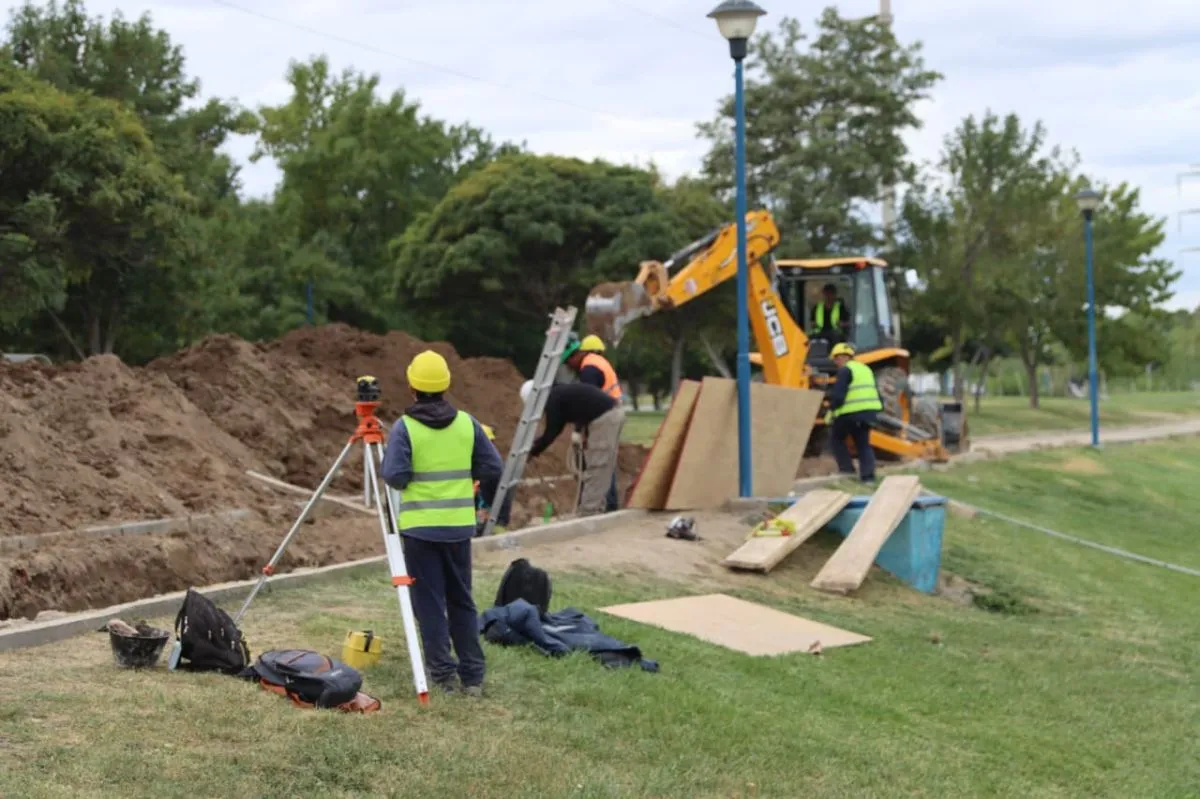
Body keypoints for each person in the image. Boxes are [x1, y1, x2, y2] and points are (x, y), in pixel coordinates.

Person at [381, 350, 502, 697]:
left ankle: (443, 676)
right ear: (446, 385)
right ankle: (473, 677)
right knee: (461, 600)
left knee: (430, 603)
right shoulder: (467, 423)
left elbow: (395, 476)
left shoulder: (405, 428)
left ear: (412, 386)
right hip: (458, 528)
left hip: (420, 530)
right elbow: (493, 467)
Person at [522, 378, 624, 517]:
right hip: (608, 415)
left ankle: (589, 512)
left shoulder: (553, 399)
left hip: (605, 418)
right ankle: (597, 508)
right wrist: (583, 431)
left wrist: (533, 452)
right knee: (601, 466)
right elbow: (583, 405)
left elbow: (552, 432)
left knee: (597, 466)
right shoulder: (559, 393)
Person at [564, 334, 624, 510]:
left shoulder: (589, 369)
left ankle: (603, 506)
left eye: (568, 361)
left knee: (599, 462)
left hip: (605, 418)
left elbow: (586, 402)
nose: (568, 366)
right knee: (605, 460)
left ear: (577, 355)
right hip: (611, 415)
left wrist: (578, 430)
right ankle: (609, 505)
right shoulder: (598, 363)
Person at [826, 342, 882, 483]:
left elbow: (839, 396)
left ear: (842, 357)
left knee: (836, 439)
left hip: (850, 414)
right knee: (863, 444)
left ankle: (847, 470)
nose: (835, 363)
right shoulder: (865, 369)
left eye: (835, 359)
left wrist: (831, 409)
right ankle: (868, 478)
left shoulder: (845, 371)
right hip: (869, 413)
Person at [474, 423, 514, 536]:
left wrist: (500, 522)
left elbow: (504, 499)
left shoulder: (493, 471)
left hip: (490, 521)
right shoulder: (477, 467)